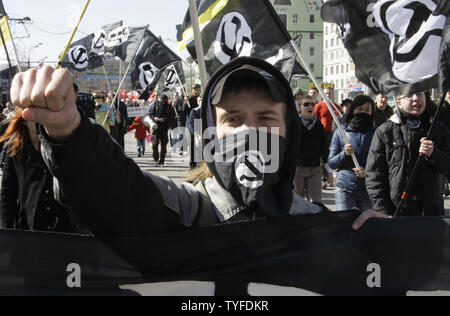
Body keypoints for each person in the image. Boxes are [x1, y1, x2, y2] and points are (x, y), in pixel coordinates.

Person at [9, 58, 383, 259]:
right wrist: (70, 132)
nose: (246, 132)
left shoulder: (323, 225)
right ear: (210, 134)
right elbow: (120, 190)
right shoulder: (186, 207)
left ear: (289, 132)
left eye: (266, 119)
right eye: (232, 119)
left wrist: (386, 240)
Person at [366, 91, 450, 216]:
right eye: (410, 95)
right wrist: (381, 211)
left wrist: (434, 154)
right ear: (398, 101)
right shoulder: (385, 130)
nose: (416, 99)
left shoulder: (438, 129)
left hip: (431, 212)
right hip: (397, 211)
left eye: (420, 94)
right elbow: (374, 175)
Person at [0, 110, 84, 233]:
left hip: (64, 229)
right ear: (23, 119)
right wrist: (6, 232)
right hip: (29, 228)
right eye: (33, 116)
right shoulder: (15, 150)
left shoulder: (63, 146)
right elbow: (7, 194)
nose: (39, 120)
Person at [328, 95, 376, 212]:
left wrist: (367, 173)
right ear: (353, 110)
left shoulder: (377, 133)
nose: (363, 112)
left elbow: (382, 164)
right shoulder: (341, 132)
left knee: (368, 226)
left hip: (368, 191)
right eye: (360, 109)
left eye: (367, 110)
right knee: (346, 226)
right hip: (345, 189)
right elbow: (331, 163)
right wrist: (344, 154)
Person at [294, 96, 328, 203]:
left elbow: (324, 146)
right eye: (306, 104)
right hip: (297, 168)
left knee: (316, 202)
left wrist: (328, 169)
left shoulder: (319, 125)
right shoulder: (294, 124)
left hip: (315, 168)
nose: (310, 106)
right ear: (300, 107)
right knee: (297, 202)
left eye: (312, 104)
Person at [314, 87, 342, 189]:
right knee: (323, 156)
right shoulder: (319, 106)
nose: (328, 95)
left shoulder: (337, 107)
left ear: (332, 94)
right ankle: (324, 178)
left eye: (329, 93)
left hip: (334, 134)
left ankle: (332, 177)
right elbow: (314, 119)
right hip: (322, 134)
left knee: (333, 155)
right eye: (326, 93)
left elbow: (340, 119)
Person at [149, 94, 175, 167]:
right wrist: (155, 118)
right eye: (162, 101)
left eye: (165, 101)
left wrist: (165, 119)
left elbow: (172, 118)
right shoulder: (155, 105)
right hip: (155, 129)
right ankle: (156, 159)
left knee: (163, 146)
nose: (163, 103)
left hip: (164, 129)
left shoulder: (169, 107)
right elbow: (150, 114)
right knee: (154, 145)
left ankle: (162, 161)